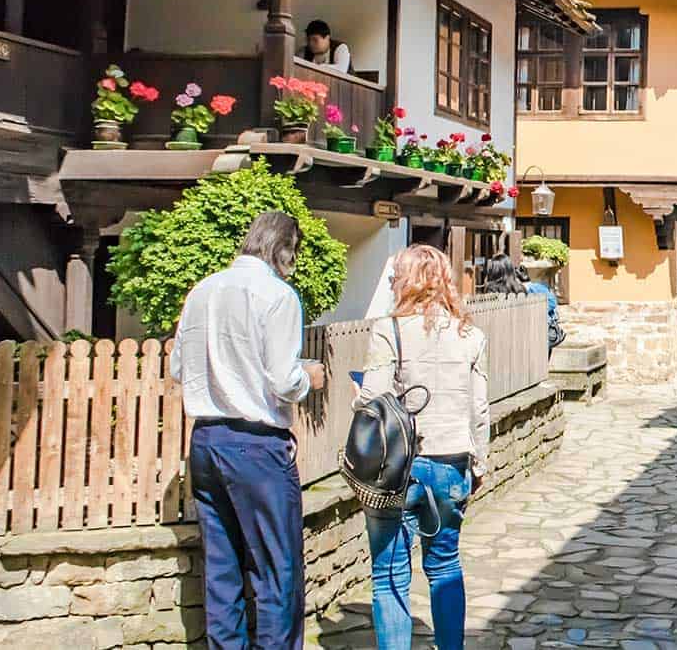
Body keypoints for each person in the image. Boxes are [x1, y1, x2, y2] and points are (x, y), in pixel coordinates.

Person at [171, 210, 325, 650]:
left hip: (205, 440)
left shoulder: (202, 290)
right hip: (255, 446)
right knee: (277, 569)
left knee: (221, 569)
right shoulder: (277, 295)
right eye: (292, 253)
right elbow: (282, 380)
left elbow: (179, 367)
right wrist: (308, 377)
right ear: (283, 250)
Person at [359, 245, 491, 650]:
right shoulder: (470, 334)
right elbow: (479, 407)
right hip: (451, 461)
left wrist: (357, 394)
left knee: (389, 573)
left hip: (400, 468)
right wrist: (481, 463)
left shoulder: (389, 330)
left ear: (405, 280)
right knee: (445, 564)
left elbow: (372, 400)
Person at [522, 259, 565, 351]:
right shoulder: (537, 286)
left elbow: (552, 302)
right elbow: (553, 302)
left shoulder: (533, 286)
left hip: (543, 325)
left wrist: (539, 310)